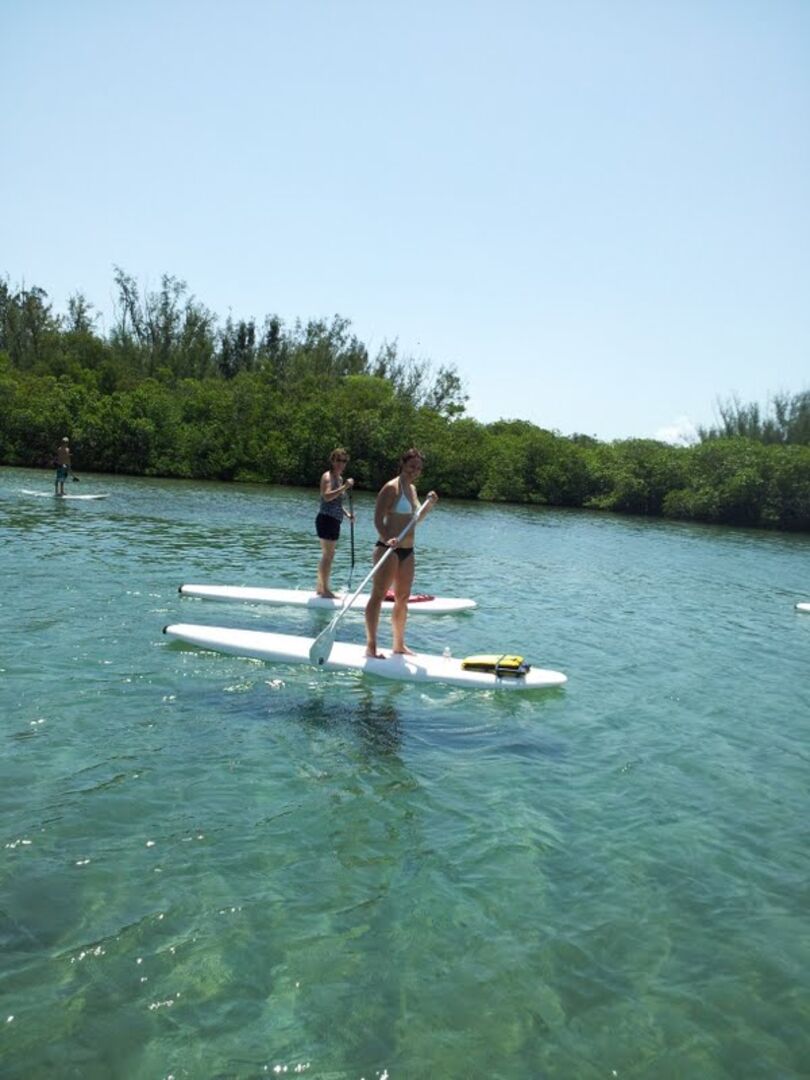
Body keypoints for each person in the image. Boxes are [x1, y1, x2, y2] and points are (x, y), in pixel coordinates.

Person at [365, 448, 438, 658]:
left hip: (408, 551)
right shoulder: (391, 488)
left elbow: (415, 519)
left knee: (403, 598)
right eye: (411, 466)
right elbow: (378, 519)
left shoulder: (413, 490)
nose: (414, 470)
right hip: (388, 549)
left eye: (418, 468)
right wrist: (387, 538)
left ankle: (398, 645)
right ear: (403, 464)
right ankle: (371, 646)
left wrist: (429, 505)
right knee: (378, 596)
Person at [315, 448, 355, 598]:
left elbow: (336, 503)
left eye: (344, 461)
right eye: (338, 460)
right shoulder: (328, 477)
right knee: (328, 555)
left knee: (329, 554)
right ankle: (325, 590)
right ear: (332, 461)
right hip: (326, 519)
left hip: (334, 520)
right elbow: (326, 497)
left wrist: (347, 514)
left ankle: (320, 587)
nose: (341, 464)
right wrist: (344, 487)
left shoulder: (338, 478)